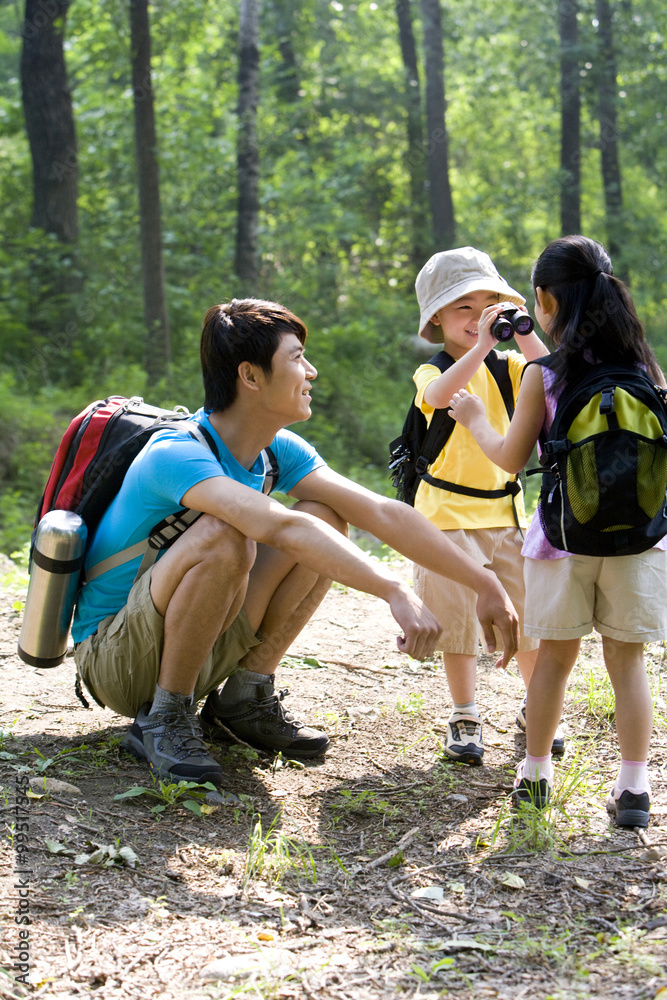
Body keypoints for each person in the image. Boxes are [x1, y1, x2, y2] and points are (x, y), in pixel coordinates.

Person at [72, 297, 519, 787]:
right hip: (116, 659)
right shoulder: (176, 453)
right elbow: (279, 528)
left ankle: (244, 697)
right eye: (295, 358)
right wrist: (394, 589)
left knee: (326, 515)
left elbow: (380, 511)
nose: (311, 371)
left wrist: (483, 583)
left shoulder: (275, 451)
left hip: (189, 638)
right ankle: (166, 716)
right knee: (225, 536)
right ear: (250, 376)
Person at [449, 235, 667, 827]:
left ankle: (536, 774)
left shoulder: (542, 376)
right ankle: (635, 790)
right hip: (641, 540)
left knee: (553, 662)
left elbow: (511, 459)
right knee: (628, 663)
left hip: (562, 541)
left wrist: (472, 418)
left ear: (544, 299)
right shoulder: (647, 369)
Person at [410, 247, 558, 766]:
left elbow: (551, 373)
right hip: (445, 519)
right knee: (458, 628)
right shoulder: (433, 371)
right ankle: (465, 713)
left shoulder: (511, 367)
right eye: (463, 309)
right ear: (437, 320)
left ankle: (538, 707)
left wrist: (518, 332)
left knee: (529, 622)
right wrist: (480, 350)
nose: (478, 319)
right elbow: (440, 397)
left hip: (506, 515)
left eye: (488, 305)